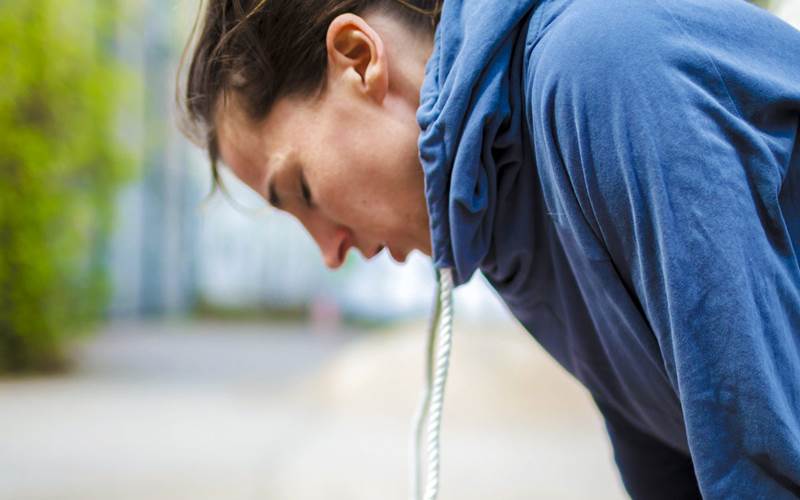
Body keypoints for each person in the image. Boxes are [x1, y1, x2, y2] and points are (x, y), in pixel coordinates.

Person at [179, 0, 800, 498]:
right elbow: (671, 459)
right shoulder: (499, 195)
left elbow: (763, 458)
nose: (330, 252)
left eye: (302, 190)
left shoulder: (601, 71)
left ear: (358, 57)